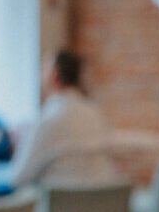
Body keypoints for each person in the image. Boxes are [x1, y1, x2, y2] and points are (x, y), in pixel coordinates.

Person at [10, 49, 117, 187]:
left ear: (53, 76)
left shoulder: (48, 119)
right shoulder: (95, 114)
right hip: (100, 204)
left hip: (58, 205)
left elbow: (17, 178)